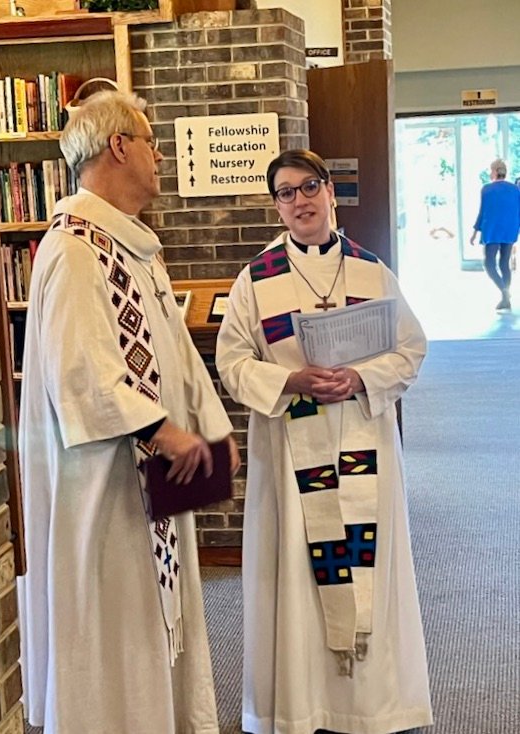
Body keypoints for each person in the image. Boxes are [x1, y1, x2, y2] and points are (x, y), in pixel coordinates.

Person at [17, 90, 240, 734]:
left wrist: (211, 431)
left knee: (150, 620)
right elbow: (79, 374)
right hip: (103, 487)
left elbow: (176, 353)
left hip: (148, 481)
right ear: (119, 146)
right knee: (113, 625)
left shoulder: (133, 246)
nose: (159, 155)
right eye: (150, 141)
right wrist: (166, 432)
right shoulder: (74, 248)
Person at [216, 149, 433, 734]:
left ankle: (373, 706)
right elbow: (232, 362)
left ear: (330, 191)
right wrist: (291, 380)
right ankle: (302, 703)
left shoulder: (371, 271)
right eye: (285, 193)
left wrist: (360, 377)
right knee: (297, 569)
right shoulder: (256, 280)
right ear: (277, 207)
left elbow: (411, 349)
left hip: (362, 438)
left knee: (367, 562)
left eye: (309, 186)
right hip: (293, 447)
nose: (300, 201)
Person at [470, 158, 520, 311]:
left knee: (488, 263)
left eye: (490, 170)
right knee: (504, 263)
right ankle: (505, 298)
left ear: (494, 171)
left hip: (492, 229)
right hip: (510, 229)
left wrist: (475, 232)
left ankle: (504, 292)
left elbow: (483, 212)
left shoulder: (486, 189)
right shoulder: (515, 189)